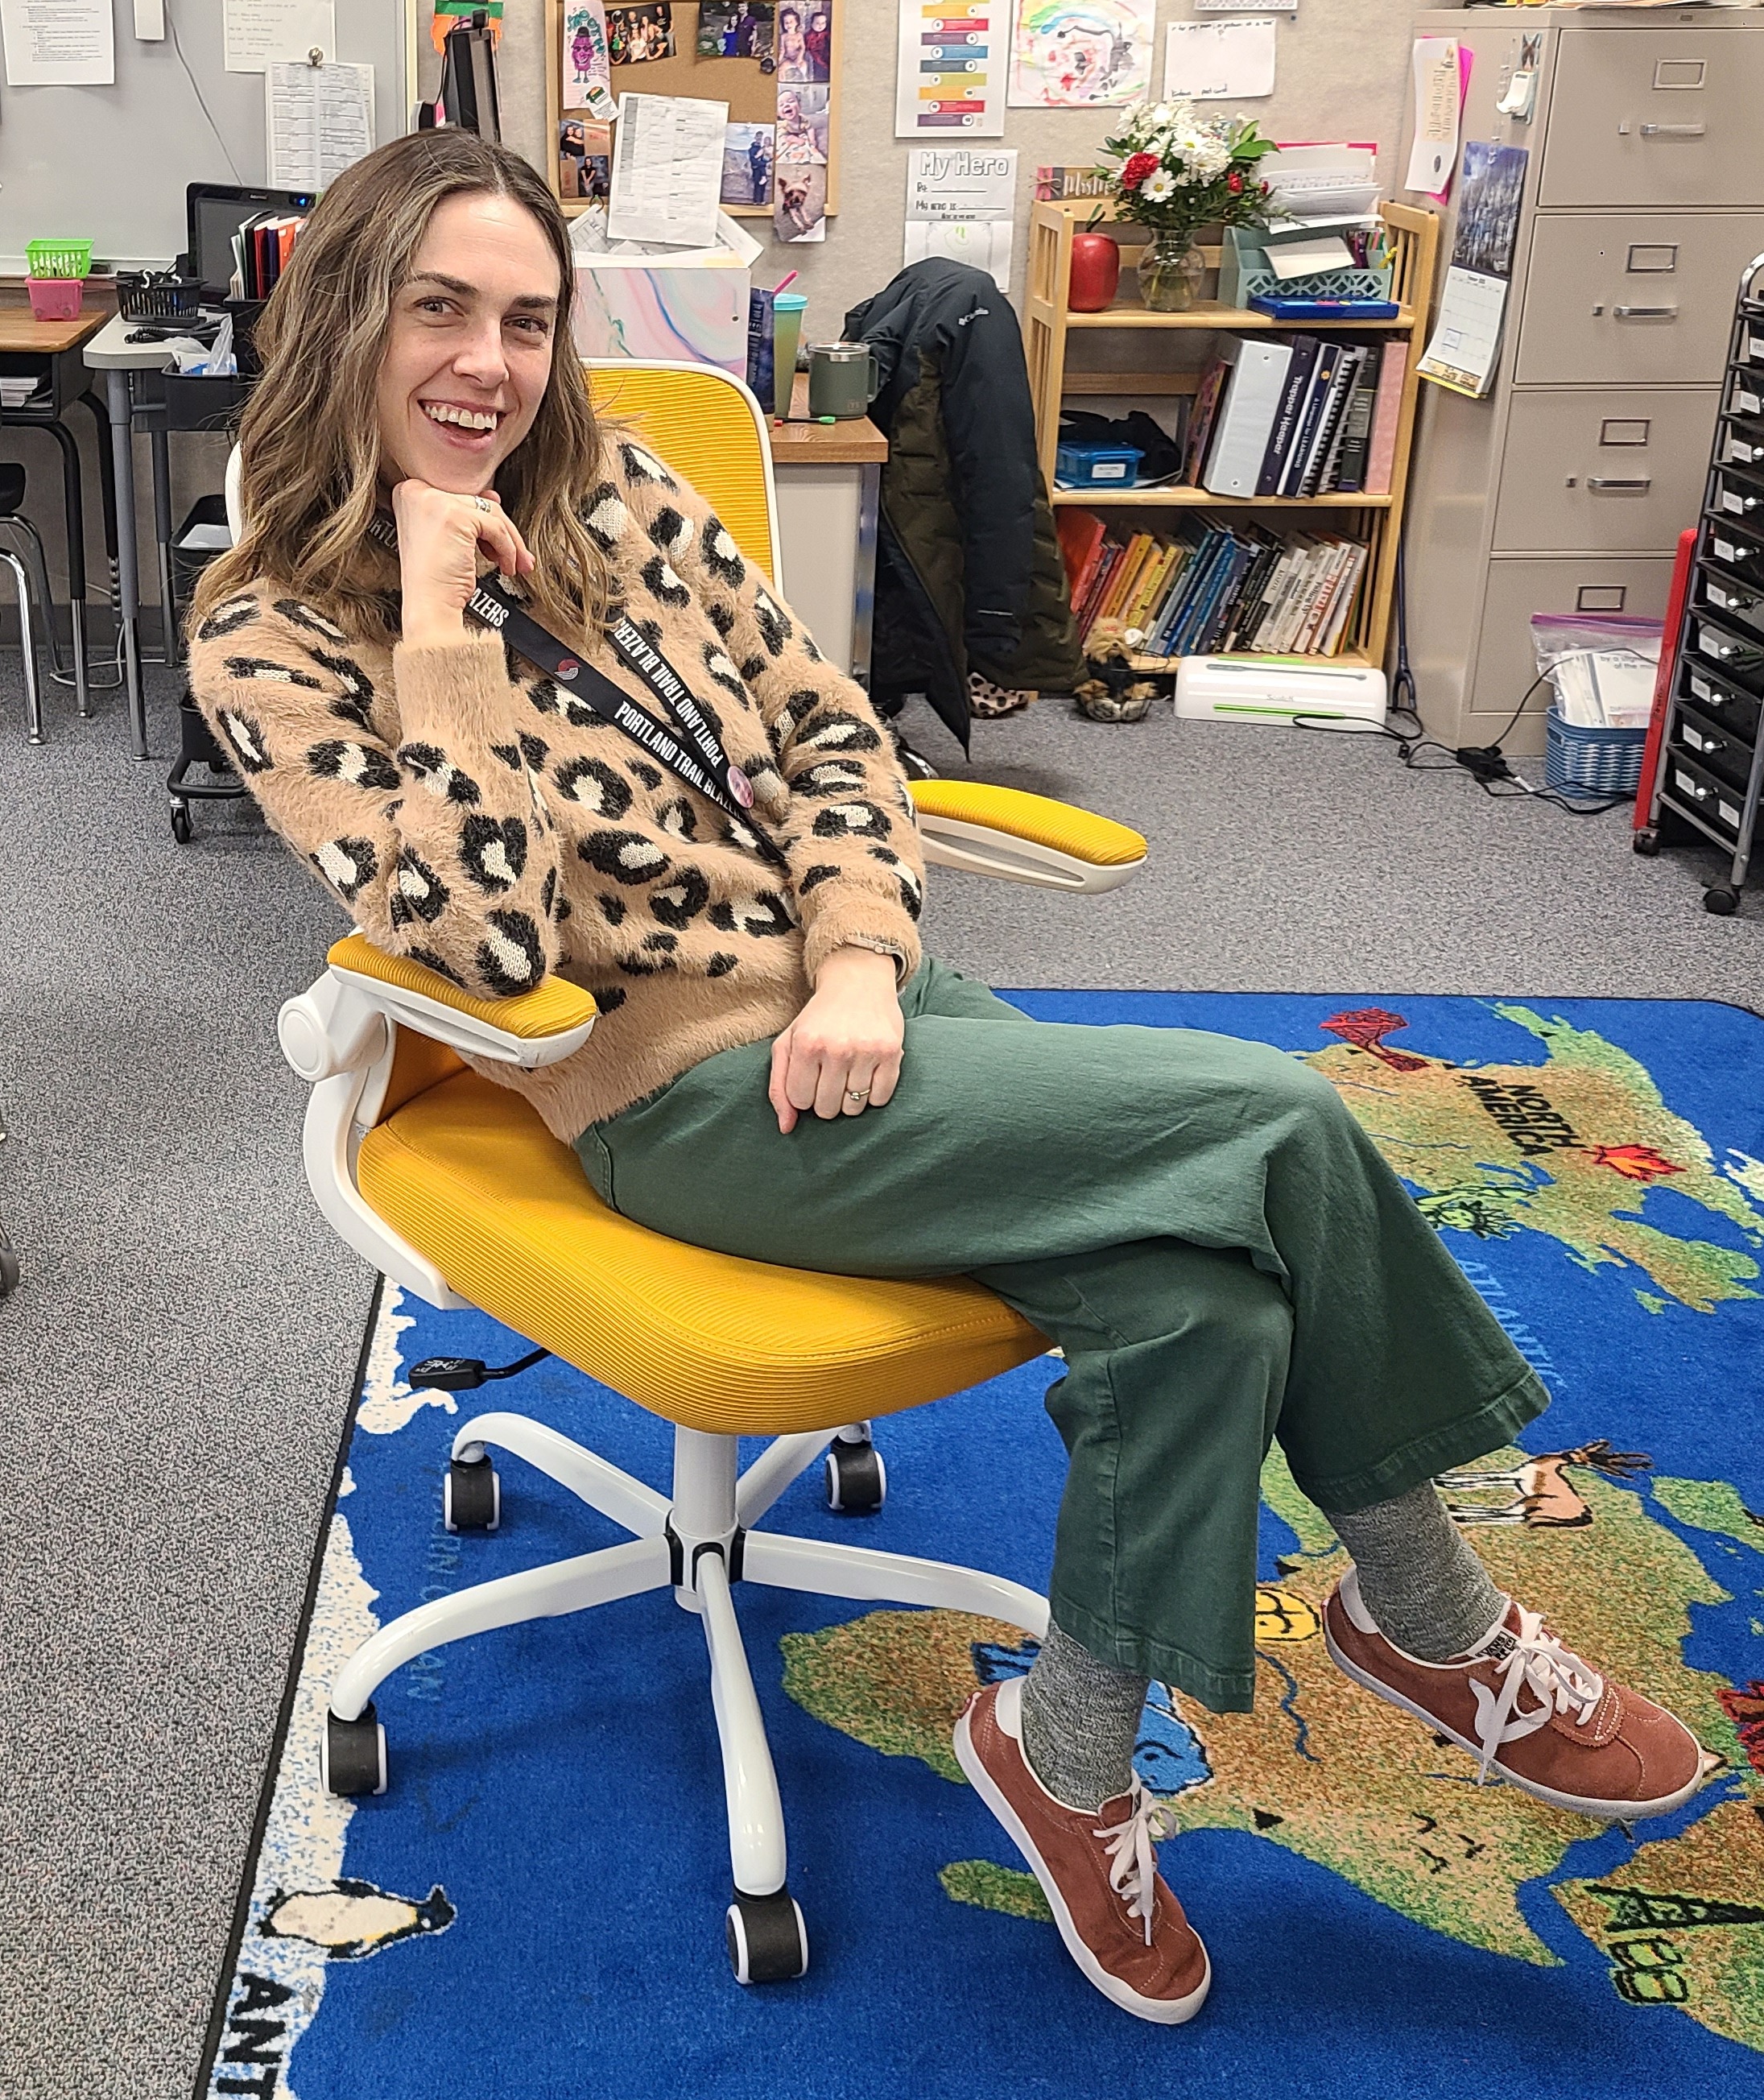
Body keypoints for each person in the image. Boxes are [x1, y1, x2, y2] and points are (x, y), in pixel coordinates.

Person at [189, 131, 1712, 2028]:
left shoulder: (623, 495)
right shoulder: (270, 629)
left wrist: (849, 954)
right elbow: (480, 944)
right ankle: (1437, 1621)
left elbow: (827, 730)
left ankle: (1060, 1763)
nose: (486, 364)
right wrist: (435, 628)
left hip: (867, 1014)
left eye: (522, 317)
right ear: (343, 315)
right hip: (675, 1102)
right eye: (437, 311)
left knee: (1200, 1294)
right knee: (1284, 1116)